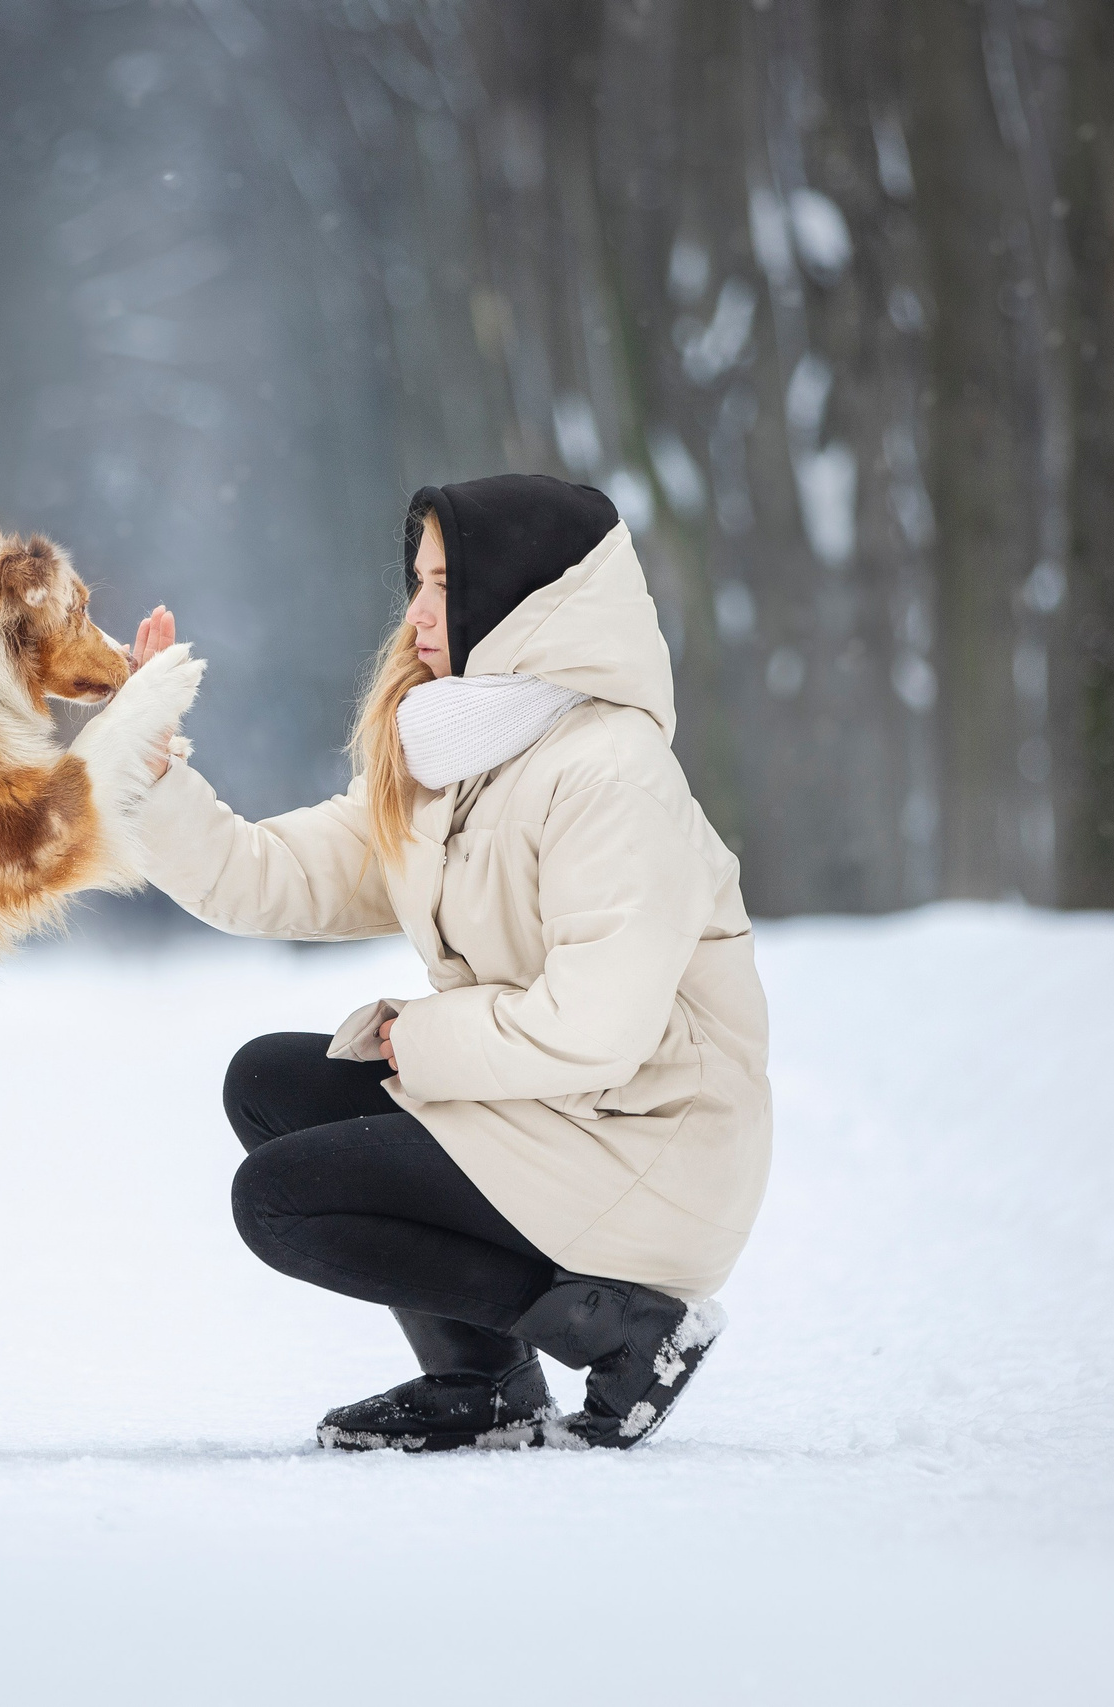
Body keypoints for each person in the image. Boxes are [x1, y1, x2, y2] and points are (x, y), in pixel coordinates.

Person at [125, 474, 771, 1452]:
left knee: (281, 1200)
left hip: (649, 1145)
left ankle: (628, 1329)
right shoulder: (452, 760)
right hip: (552, 1118)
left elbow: (598, 1031)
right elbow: (263, 876)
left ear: (522, 597)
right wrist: (151, 763)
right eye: (416, 583)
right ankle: (484, 1384)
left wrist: (420, 1040)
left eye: (444, 584)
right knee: (269, 1081)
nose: (418, 613)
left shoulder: (610, 771)